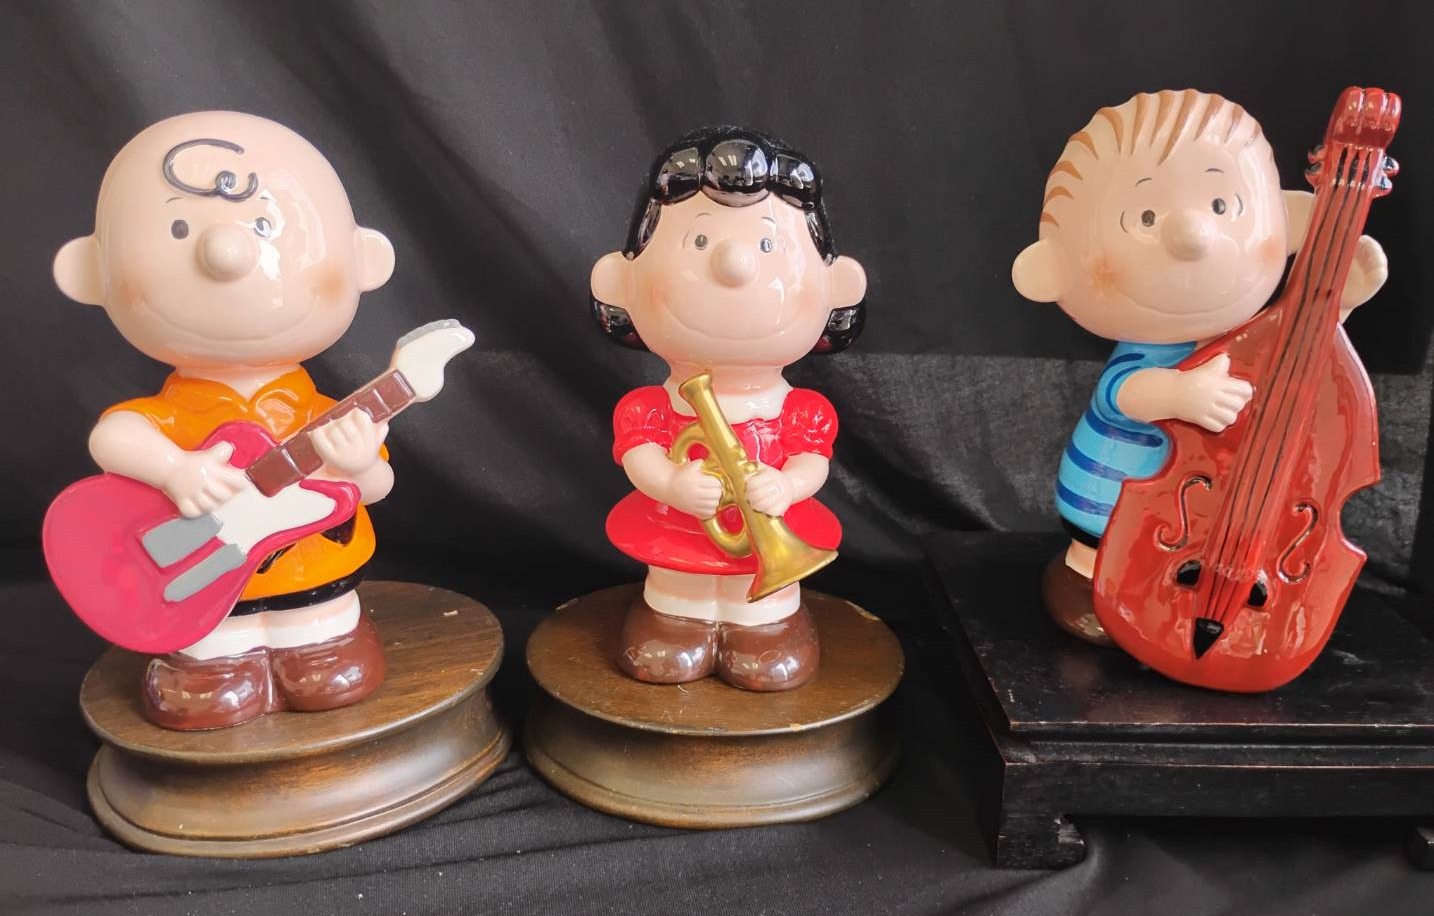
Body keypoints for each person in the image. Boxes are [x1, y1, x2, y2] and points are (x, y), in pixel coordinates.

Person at [53, 112, 398, 728]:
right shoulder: (173, 413)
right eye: (180, 229)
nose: (226, 252)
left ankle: (319, 642)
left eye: (264, 227)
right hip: (195, 588)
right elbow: (113, 436)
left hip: (313, 572)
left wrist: (357, 462)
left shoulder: (321, 414)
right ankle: (212, 662)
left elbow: (374, 487)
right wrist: (173, 468)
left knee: (327, 668)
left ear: (364, 259)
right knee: (210, 680)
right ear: (90, 273)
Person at [1011, 89, 1388, 644]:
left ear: (1288, 222)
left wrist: (1335, 305)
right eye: (1145, 216)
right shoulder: (1146, 352)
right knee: (1100, 540)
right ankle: (1089, 574)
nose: (1192, 235)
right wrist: (1177, 395)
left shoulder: (1251, 340)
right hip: (1111, 495)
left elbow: (1302, 367)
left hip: (1216, 515)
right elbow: (1122, 393)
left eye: (1220, 207)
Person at [590, 127, 867, 690]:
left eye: (767, 246)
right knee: (676, 595)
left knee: (760, 611)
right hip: (676, 528)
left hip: (769, 530)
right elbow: (642, 458)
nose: (734, 264)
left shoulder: (800, 410)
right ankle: (677, 620)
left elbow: (811, 462)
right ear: (621, 280)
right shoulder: (651, 406)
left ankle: (763, 624)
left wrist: (786, 486)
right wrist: (671, 483)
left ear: (838, 286)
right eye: (698, 241)